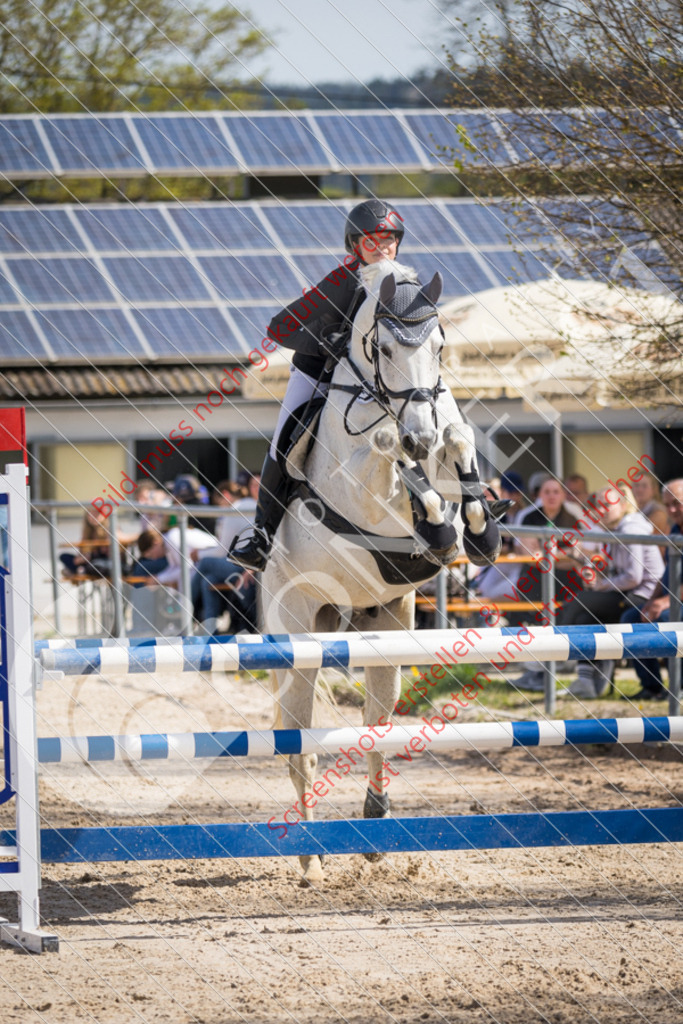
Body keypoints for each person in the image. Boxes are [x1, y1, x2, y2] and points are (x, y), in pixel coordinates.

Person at [229, 199, 405, 572]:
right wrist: (328, 342)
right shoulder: (341, 281)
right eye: (371, 241)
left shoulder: (403, 283)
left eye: (388, 240)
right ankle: (262, 535)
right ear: (355, 246)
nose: (382, 248)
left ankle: (472, 501)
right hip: (319, 377)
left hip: (377, 383)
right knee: (283, 441)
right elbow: (279, 327)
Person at [561, 488, 664, 698]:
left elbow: (633, 577)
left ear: (623, 506)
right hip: (629, 593)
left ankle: (556, 651)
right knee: (585, 617)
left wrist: (602, 585)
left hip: (646, 595)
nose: (601, 510)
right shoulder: (614, 531)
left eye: (607, 504)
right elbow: (619, 571)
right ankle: (585, 679)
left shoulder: (630, 529)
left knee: (581, 600)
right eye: (597, 505)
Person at [513, 476, 586, 690]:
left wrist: (550, 555)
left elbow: (577, 555)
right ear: (539, 495)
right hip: (535, 580)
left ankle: (559, 663)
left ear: (563, 495)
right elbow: (529, 553)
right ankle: (536, 671)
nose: (552, 496)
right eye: (547, 492)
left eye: (556, 492)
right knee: (532, 616)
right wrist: (561, 556)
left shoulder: (574, 515)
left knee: (568, 612)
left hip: (567, 580)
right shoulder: (528, 516)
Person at [620, 478, 683, 700]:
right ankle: (652, 686)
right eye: (668, 505)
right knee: (631, 618)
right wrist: (652, 600)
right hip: (672, 597)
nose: (672, 510)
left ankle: (679, 687)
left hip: (676, 603)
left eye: (677, 503)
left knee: (667, 620)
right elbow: (666, 573)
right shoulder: (675, 529)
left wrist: (665, 601)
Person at [631, 474, 669, 539]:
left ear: (653, 490)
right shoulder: (631, 509)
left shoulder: (659, 513)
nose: (640, 490)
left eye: (644, 486)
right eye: (636, 485)